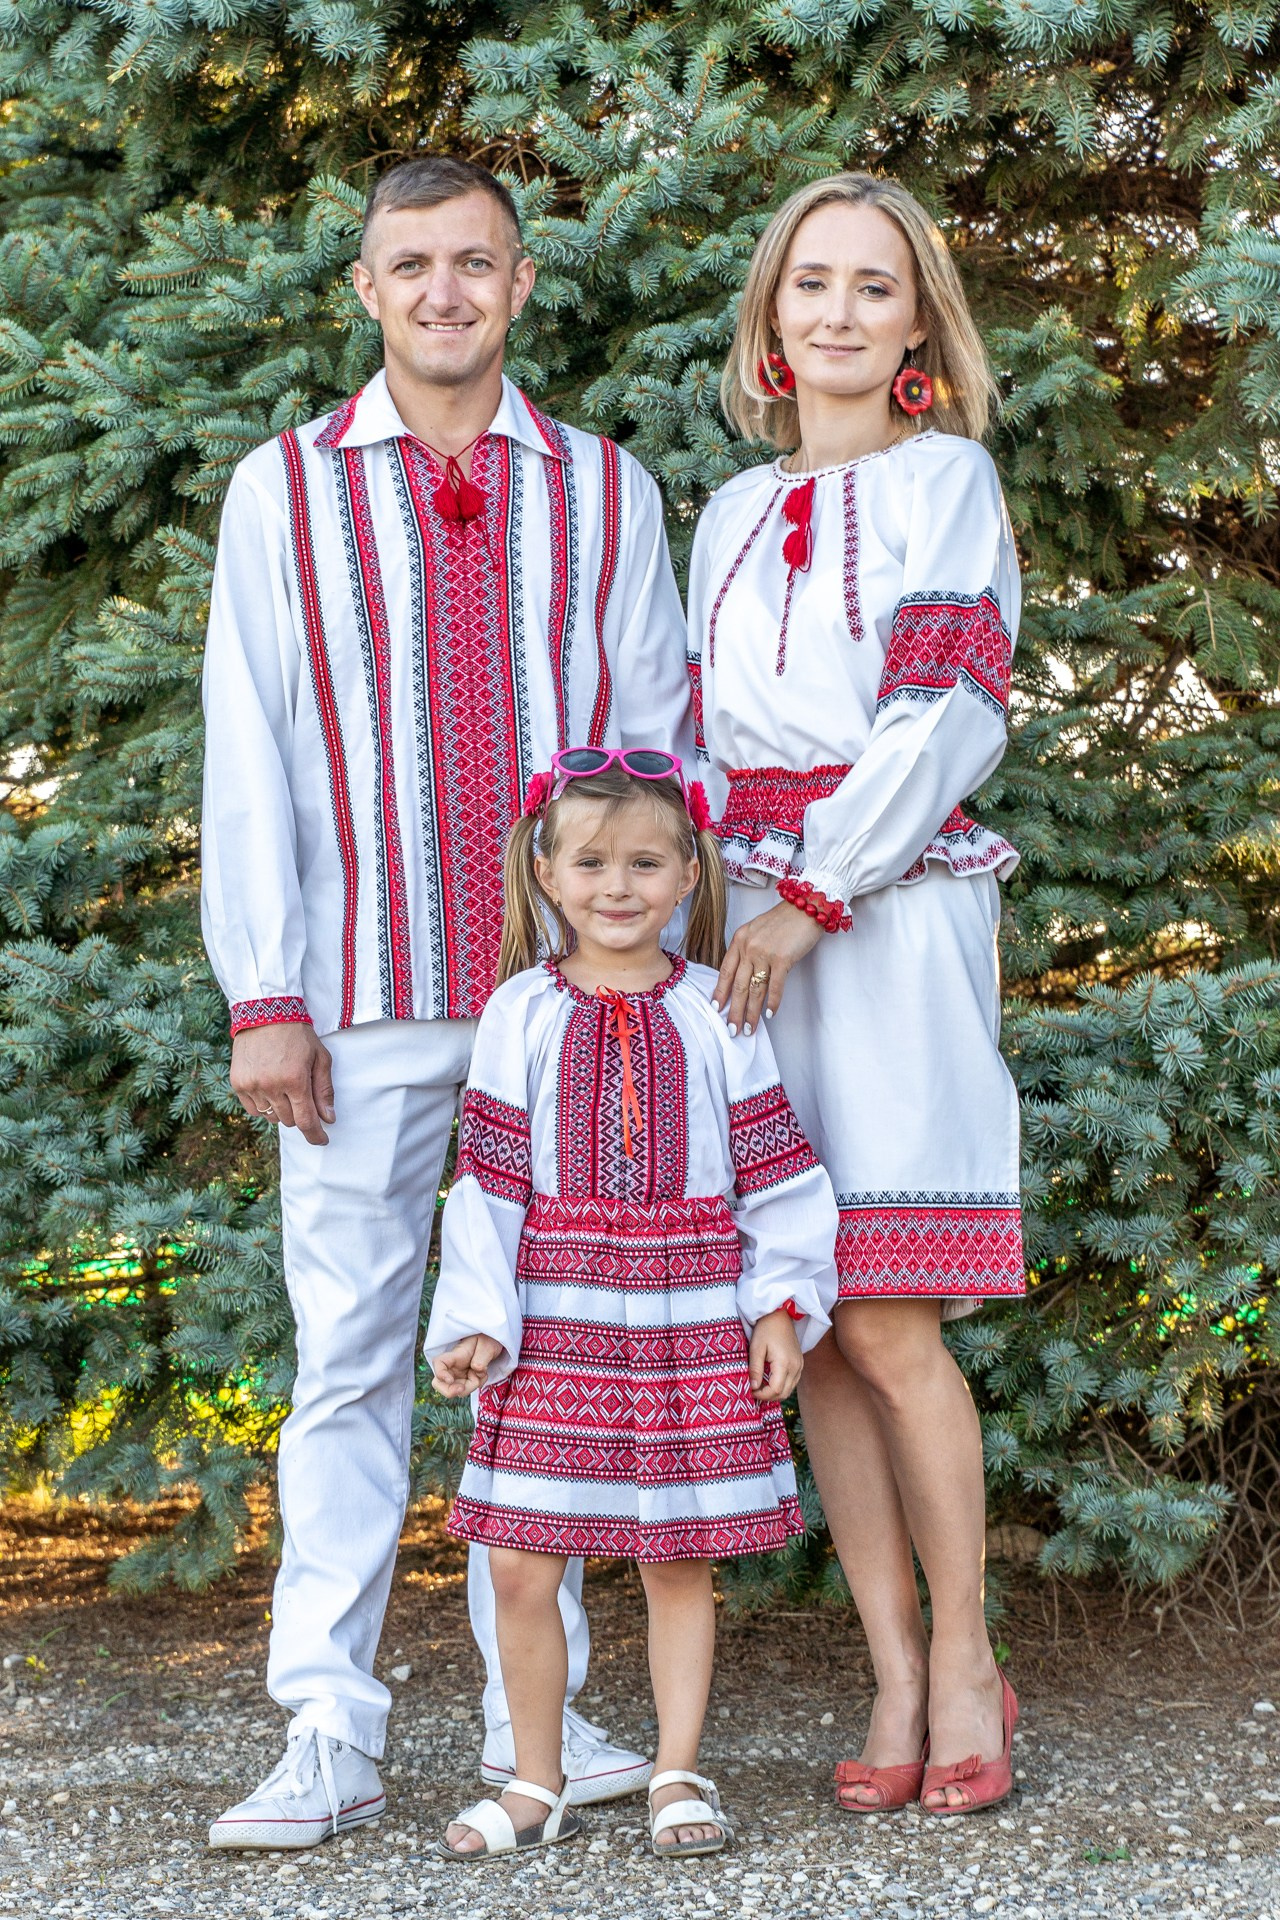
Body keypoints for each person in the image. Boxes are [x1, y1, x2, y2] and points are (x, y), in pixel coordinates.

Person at [201, 156, 693, 1850]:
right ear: (365, 289)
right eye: (409, 266)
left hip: (559, 1013)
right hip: (356, 1004)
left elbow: (655, 750)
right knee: (346, 1358)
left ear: (522, 282)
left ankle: (531, 1715)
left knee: (540, 1360)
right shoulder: (286, 492)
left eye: (472, 263)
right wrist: (264, 991)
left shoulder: (610, 493)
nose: (442, 293)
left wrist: (643, 978)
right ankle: (326, 1727)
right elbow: (247, 751)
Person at [687, 172, 1025, 1816]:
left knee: (890, 1312)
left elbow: (948, 704)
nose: (834, 311)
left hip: (879, 912)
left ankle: (969, 1658)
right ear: (770, 320)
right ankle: (890, 1677)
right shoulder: (728, 515)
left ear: (914, 324)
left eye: (871, 289)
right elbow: (699, 744)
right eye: (807, 284)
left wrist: (819, 892)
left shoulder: (944, 479)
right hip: (745, 924)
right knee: (809, 1325)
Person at [424, 752, 839, 1860]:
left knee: (675, 1552)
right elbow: (491, 1175)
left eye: (646, 862)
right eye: (592, 862)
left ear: (688, 876)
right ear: (547, 877)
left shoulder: (718, 1007)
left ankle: (675, 1771)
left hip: (688, 1302)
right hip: (552, 1303)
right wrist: (475, 1312)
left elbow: (774, 1168)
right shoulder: (516, 1012)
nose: (619, 885)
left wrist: (775, 1306)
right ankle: (532, 1781)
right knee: (520, 1555)